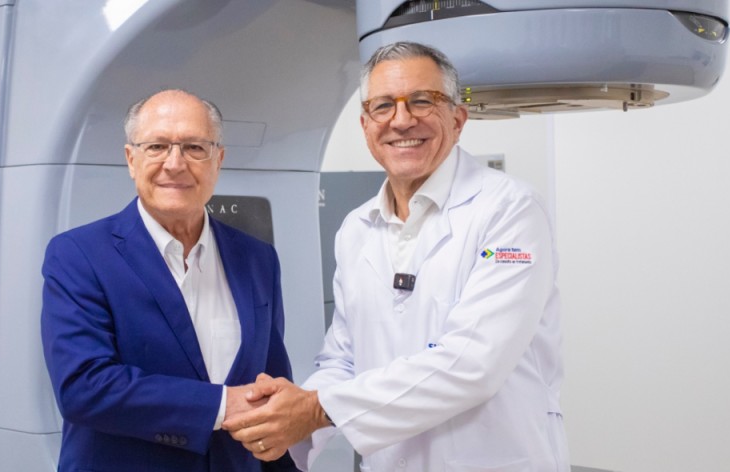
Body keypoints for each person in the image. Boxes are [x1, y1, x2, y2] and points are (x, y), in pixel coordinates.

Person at [223, 41, 569, 471]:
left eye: (422, 101)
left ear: (458, 119)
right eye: (383, 106)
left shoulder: (509, 210)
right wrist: (285, 415)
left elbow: (472, 363)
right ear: (366, 125)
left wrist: (314, 410)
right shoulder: (356, 228)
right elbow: (343, 358)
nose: (402, 120)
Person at [40, 89, 298, 471]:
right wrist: (222, 406)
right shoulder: (79, 255)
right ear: (131, 159)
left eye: (194, 147)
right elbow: (84, 387)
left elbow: (271, 389)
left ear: (218, 160)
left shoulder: (258, 259)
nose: (175, 164)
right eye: (157, 146)